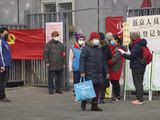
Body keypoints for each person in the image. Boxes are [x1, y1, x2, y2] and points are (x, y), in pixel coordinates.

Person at [79, 32, 106, 111]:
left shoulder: (99, 49)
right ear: (91, 40)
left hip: (98, 72)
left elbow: (103, 61)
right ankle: (83, 102)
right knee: (87, 89)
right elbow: (82, 60)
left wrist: (106, 71)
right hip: (89, 72)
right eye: (95, 39)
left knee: (97, 90)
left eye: (98, 39)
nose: (97, 40)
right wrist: (82, 71)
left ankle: (94, 105)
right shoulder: (86, 48)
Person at [118, 32, 146, 105]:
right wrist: (131, 45)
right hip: (141, 65)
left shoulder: (137, 45)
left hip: (136, 66)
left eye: (130, 38)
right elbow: (134, 52)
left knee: (137, 83)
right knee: (140, 82)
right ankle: (139, 98)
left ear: (133, 38)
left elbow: (131, 56)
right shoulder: (141, 43)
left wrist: (122, 53)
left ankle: (140, 99)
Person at [107, 35, 125, 102]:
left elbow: (114, 60)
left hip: (116, 68)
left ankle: (117, 96)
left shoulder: (118, 49)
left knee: (115, 82)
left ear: (116, 40)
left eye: (112, 40)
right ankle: (116, 95)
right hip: (113, 68)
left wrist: (107, 62)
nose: (111, 41)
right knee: (114, 82)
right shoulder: (114, 48)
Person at [99, 32, 112, 104]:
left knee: (96, 82)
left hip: (96, 66)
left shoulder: (95, 46)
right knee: (103, 83)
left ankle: (95, 98)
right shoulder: (106, 46)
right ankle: (101, 98)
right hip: (104, 66)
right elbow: (110, 56)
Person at [0, 27, 12, 102]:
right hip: (3, 65)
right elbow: (0, 54)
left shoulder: (5, 41)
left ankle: (2, 95)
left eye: (7, 32)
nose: (7, 33)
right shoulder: (1, 41)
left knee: (4, 81)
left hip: (7, 64)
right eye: (5, 32)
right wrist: (2, 65)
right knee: (2, 81)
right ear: (1, 34)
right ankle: (2, 96)